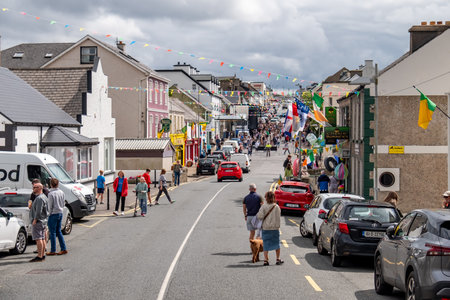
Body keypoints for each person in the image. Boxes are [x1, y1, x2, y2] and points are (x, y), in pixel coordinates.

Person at [256, 191, 283, 266]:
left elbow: (260, 216)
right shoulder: (277, 207)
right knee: (277, 244)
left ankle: (266, 260)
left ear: (266, 198)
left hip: (266, 228)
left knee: (266, 244)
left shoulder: (264, 206)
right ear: (274, 197)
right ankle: (278, 259)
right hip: (275, 228)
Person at [46, 178, 68, 256]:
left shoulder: (50, 194)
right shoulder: (61, 192)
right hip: (60, 212)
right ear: (58, 184)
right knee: (58, 231)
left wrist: (49, 213)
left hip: (53, 214)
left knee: (52, 232)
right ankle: (63, 248)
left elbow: (50, 206)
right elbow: (63, 203)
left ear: (51, 184)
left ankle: (53, 250)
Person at [28, 179, 49, 254]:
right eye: (33, 187)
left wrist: (35, 220)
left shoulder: (40, 198)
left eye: (34, 187)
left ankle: (40, 255)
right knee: (42, 238)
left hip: (39, 221)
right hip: (43, 220)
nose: (33, 189)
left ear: (40, 188)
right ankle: (42, 254)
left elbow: (39, 211)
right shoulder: (41, 196)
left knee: (39, 238)